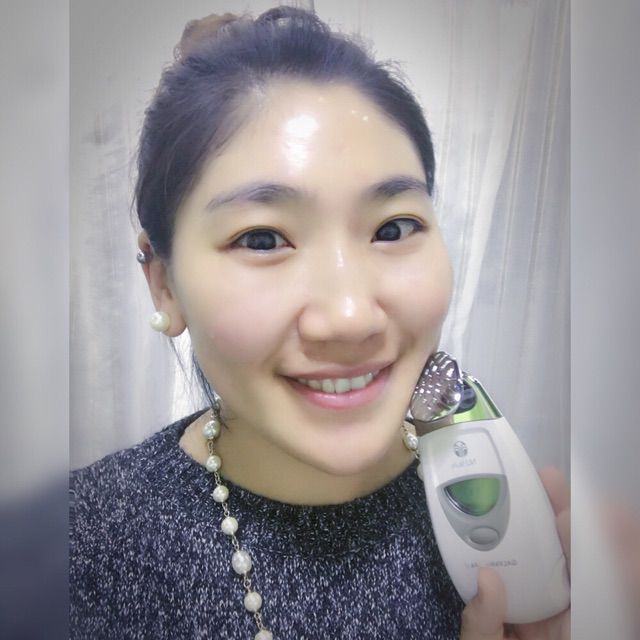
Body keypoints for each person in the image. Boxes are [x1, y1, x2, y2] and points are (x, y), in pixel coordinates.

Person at [70, 7, 570, 639]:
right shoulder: (75, 547)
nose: (351, 317)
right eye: (261, 239)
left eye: (394, 227)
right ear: (163, 284)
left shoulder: (500, 509)